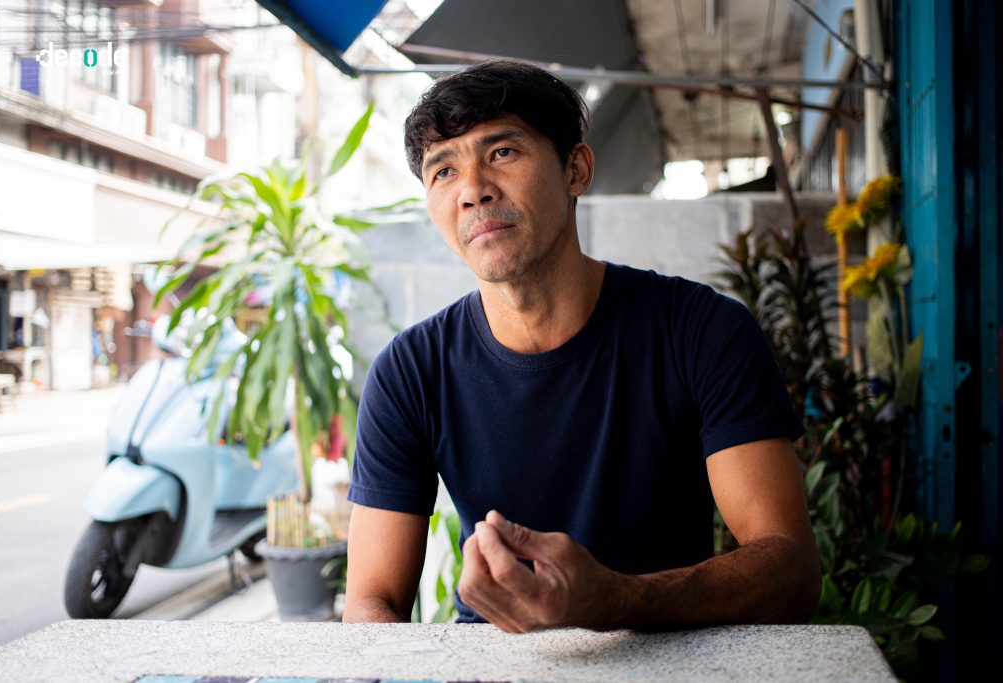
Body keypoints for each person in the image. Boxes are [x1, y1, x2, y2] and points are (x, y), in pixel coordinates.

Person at [342, 59, 821, 632]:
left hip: (669, 656)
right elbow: (370, 602)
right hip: (492, 663)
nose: (473, 191)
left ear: (576, 169)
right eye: (443, 170)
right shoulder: (409, 372)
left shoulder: (702, 330)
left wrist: (617, 600)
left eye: (502, 152)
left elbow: (790, 567)